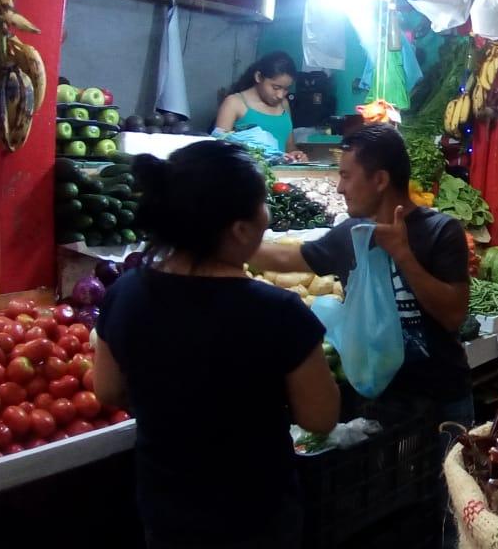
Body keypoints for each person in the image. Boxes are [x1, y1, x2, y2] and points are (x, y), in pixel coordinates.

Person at [94, 142, 340, 549]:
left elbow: (106, 389)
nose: (268, 213)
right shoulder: (279, 312)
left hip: (168, 510)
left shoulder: (126, 294)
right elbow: (320, 416)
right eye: (262, 202)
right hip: (257, 516)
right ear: (240, 229)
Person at [249, 124, 471, 549]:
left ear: (380, 179)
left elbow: (452, 313)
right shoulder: (350, 235)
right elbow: (286, 255)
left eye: (347, 175)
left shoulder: (439, 231)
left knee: (449, 516)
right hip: (382, 402)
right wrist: (225, 242)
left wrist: (402, 254)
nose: (340, 185)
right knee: (389, 511)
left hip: (443, 399)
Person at [215, 51, 308, 162]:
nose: (280, 95)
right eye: (276, 87)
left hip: (281, 176)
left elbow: (289, 147)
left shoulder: (284, 104)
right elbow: (218, 151)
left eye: (286, 89)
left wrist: (296, 155)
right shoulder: (234, 103)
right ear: (258, 77)